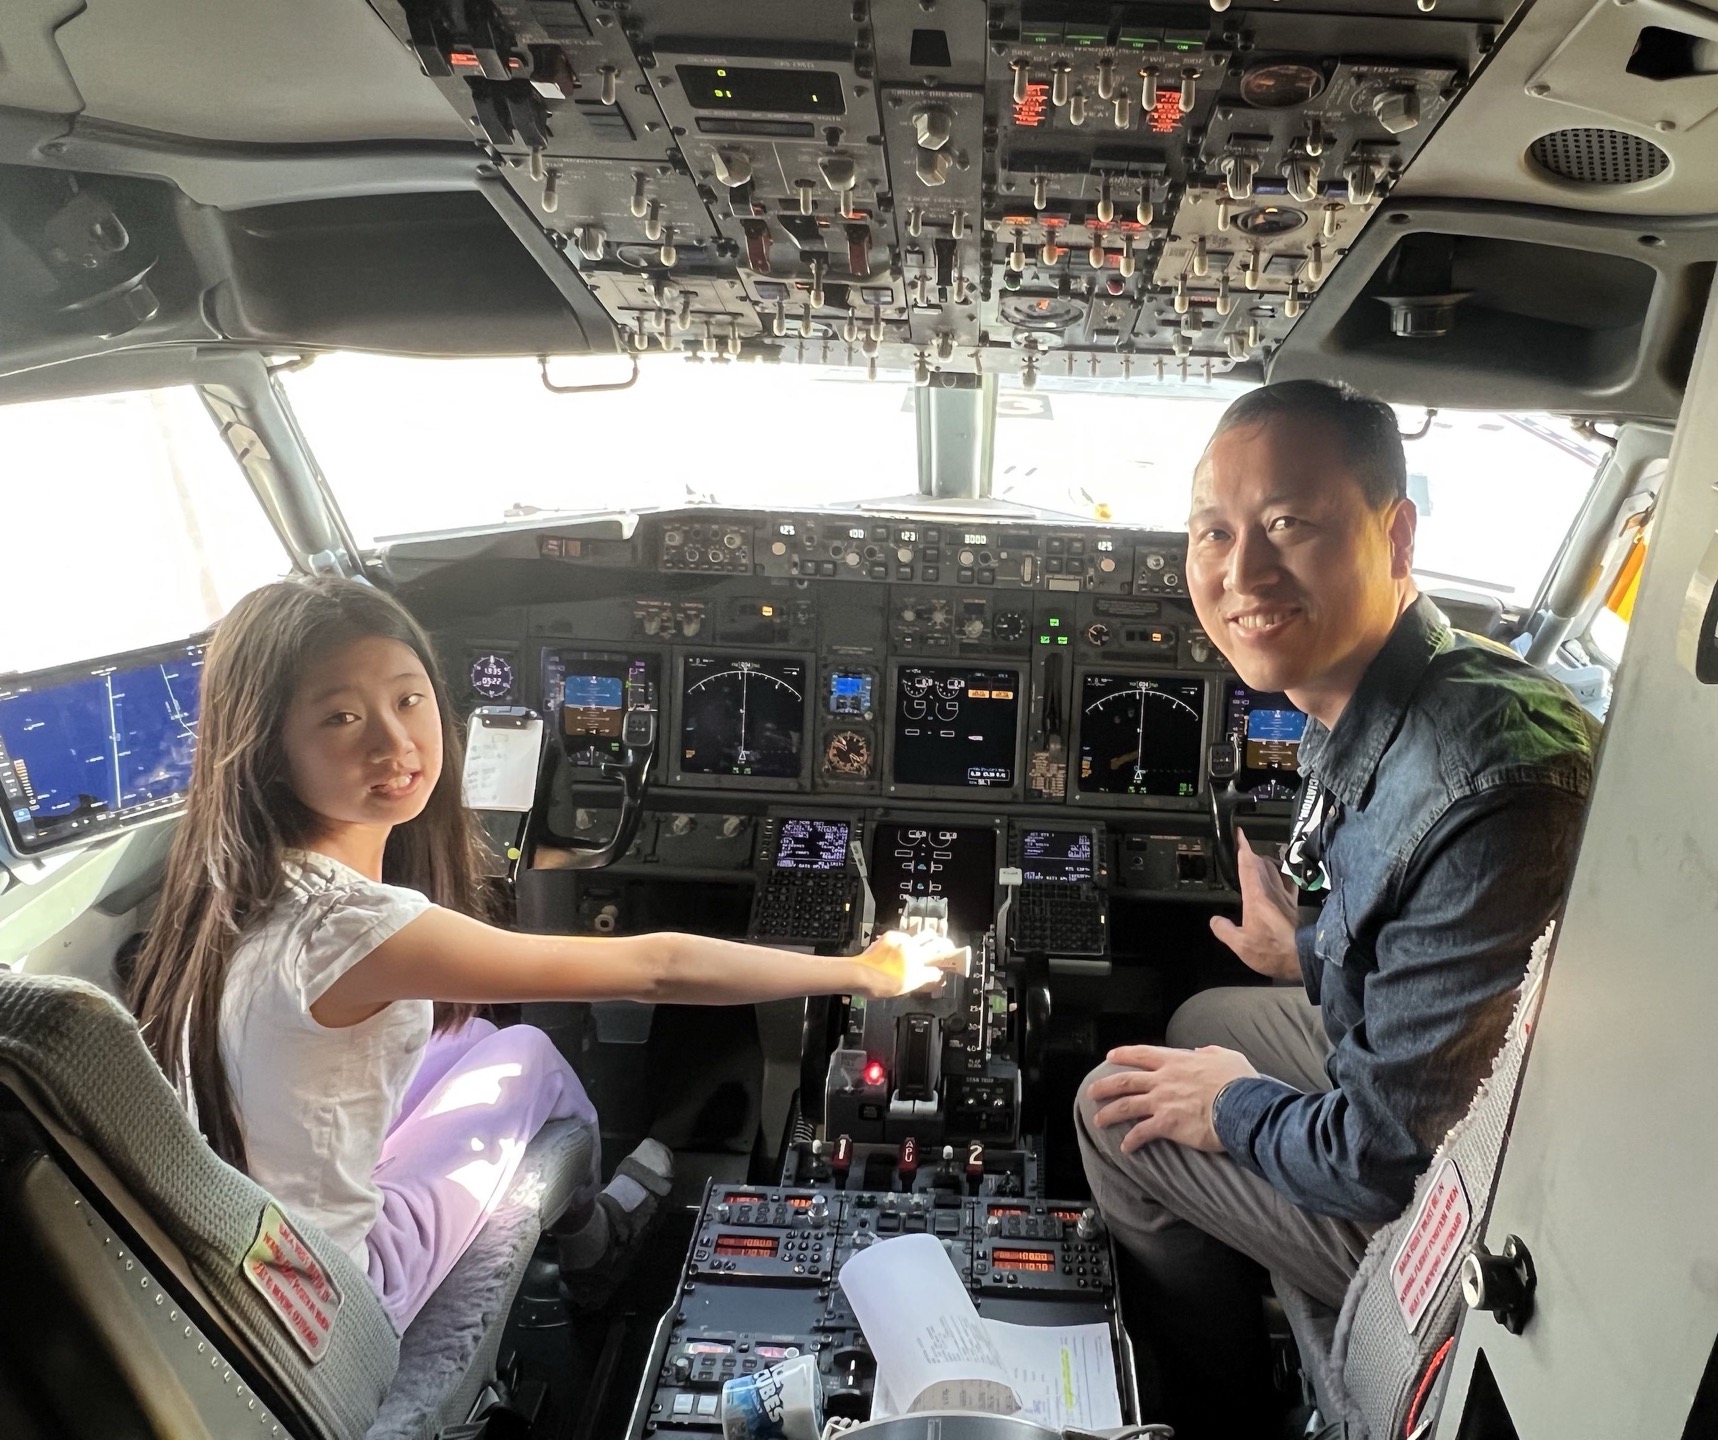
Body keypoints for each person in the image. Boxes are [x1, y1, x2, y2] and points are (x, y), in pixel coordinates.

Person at [125, 576, 960, 1333]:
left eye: (410, 700)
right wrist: (861, 971)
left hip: (252, 1245)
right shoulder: (353, 929)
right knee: (525, 1053)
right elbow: (655, 968)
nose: (395, 743)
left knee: (470, 1041)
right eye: (341, 717)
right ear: (268, 745)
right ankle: (598, 1250)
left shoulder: (231, 883)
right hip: (334, 1294)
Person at [1075, 381, 1597, 1420]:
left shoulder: (1487, 786)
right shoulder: (1407, 688)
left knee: (1110, 1110)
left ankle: (1224, 1407)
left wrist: (1230, 1107)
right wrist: (1300, 952)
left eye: (1287, 525)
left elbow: (1378, 1159)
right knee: (1201, 1022)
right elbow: (1417, 964)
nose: (1241, 572)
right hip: (1462, 1106)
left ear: (1395, 535)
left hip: (1462, 1197)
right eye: (1214, 532)